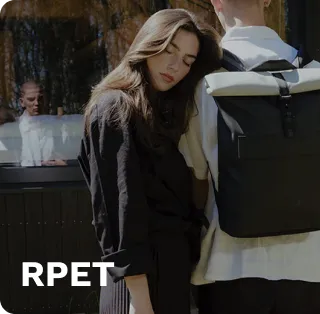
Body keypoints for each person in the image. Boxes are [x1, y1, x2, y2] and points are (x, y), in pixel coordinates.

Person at [183, 1, 320, 313]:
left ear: (215, 1)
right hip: (305, 265)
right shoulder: (314, 74)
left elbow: (196, 179)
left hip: (231, 266)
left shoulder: (205, 81)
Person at [77, 8, 221, 314]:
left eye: (187, 61)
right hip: (139, 286)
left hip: (169, 276)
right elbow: (120, 212)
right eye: (168, 50)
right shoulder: (114, 108)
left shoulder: (161, 115)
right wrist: (139, 299)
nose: (174, 66)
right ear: (148, 44)